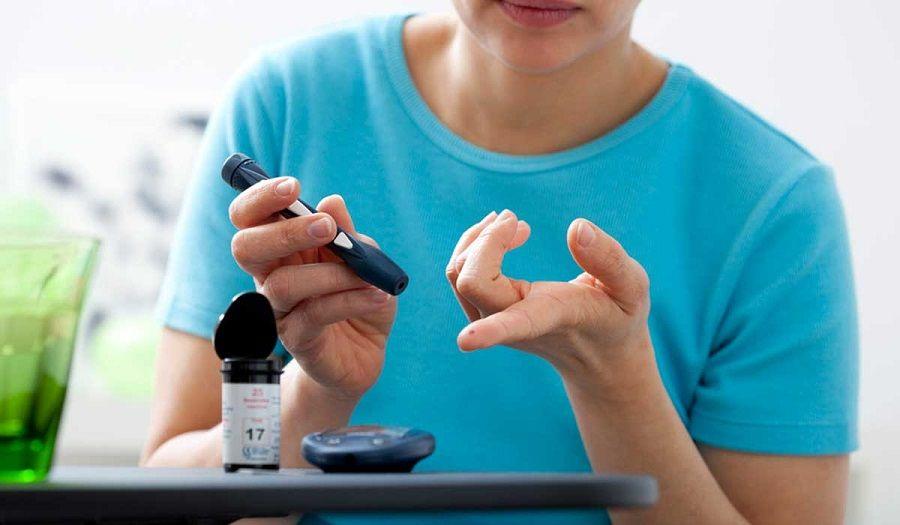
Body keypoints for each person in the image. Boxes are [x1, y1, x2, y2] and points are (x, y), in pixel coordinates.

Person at [141, 1, 858, 523]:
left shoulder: (773, 202)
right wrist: (314, 401)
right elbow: (168, 502)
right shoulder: (286, 104)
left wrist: (615, 381)